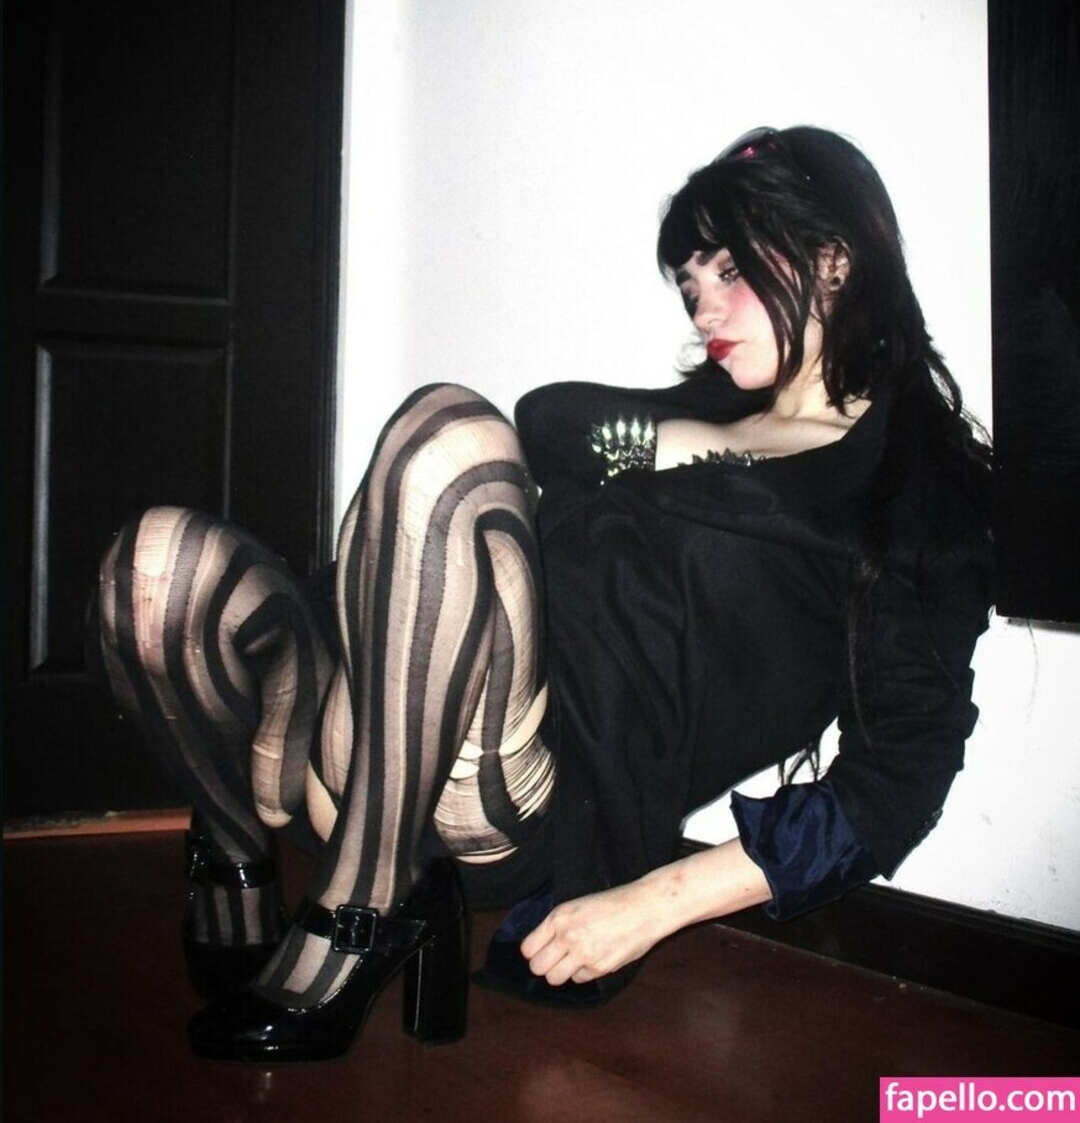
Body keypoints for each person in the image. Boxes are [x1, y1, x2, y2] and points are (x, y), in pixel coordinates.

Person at [92, 125, 993, 1062]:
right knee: (150, 570)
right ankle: (233, 845)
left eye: (729, 271)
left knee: (448, 436)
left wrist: (650, 905)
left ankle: (366, 906)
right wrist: (734, 439)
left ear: (835, 260)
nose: (703, 309)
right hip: (368, 723)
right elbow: (551, 418)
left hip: (512, 784)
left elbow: (899, 782)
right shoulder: (712, 414)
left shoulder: (914, 492)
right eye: (689, 284)